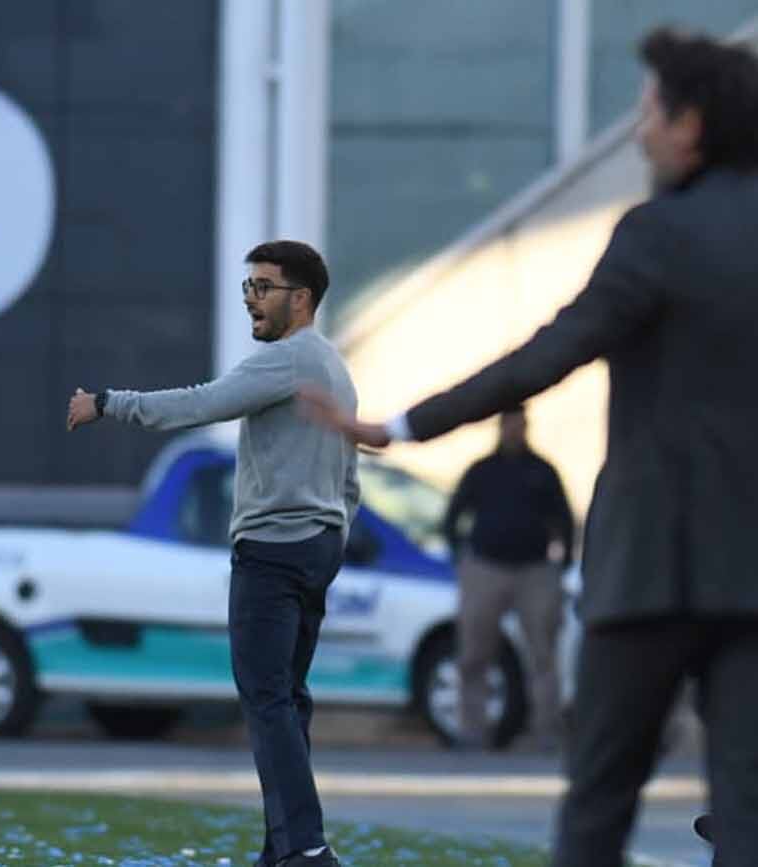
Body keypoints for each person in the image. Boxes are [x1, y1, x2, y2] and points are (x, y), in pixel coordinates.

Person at [298, 27, 758, 866]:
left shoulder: (658, 233)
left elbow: (550, 354)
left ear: (692, 125)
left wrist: (405, 424)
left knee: (600, 799)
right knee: (749, 809)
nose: (640, 126)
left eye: (651, 108)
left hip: (647, 568)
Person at [67, 240, 357, 867]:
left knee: (268, 698)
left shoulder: (286, 360)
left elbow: (200, 404)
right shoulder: (332, 364)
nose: (251, 299)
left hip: (275, 550)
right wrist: (335, 532)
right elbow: (349, 474)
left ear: (301, 299)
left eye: (264, 287)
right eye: (247, 286)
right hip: (316, 544)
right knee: (288, 697)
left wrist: (110, 403)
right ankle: (283, 847)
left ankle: (305, 848)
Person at [443, 405, 573, 750]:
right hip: (486, 566)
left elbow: (563, 518)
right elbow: (455, 514)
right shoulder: (482, 471)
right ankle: (472, 731)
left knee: (543, 653)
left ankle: (545, 732)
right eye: (509, 424)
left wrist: (562, 565)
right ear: (500, 428)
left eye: (520, 424)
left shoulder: (542, 471)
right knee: (473, 653)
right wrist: (460, 556)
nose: (514, 430)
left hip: (535, 570)